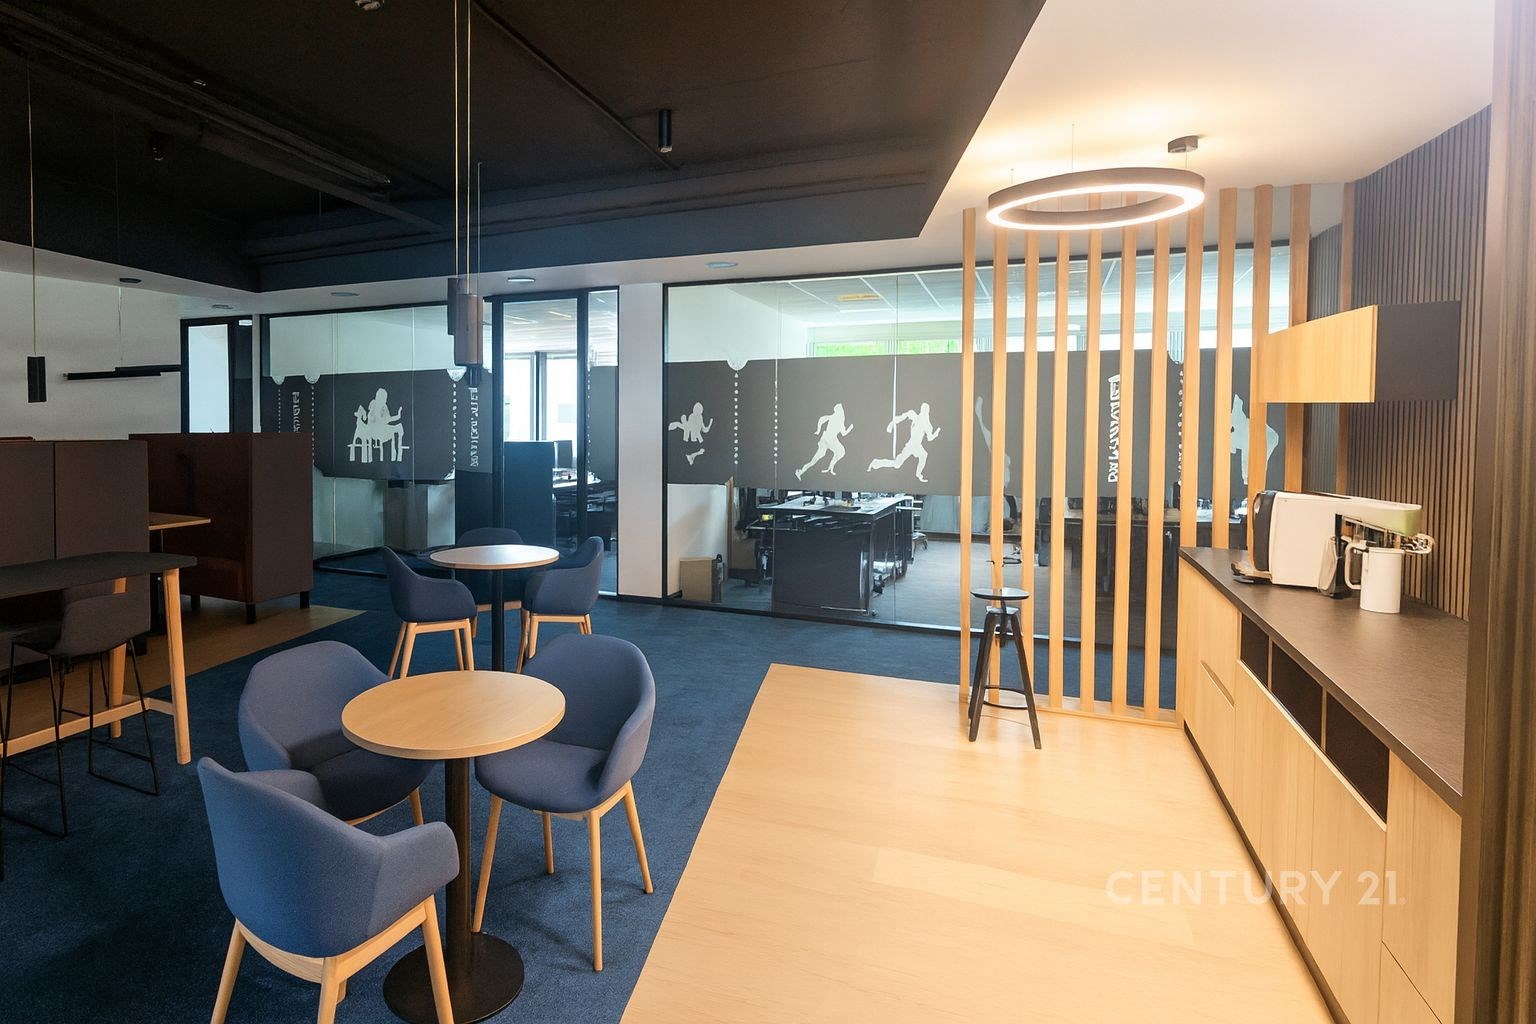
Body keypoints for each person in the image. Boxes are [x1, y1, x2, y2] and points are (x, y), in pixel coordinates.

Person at [868, 402, 941, 483]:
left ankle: (919, 474)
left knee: (923, 455)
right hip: (911, 445)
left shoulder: (927, 424)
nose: (924, 412)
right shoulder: (915, 417)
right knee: (897, 464)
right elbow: (903, 416)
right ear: (921, 410)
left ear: (928, 412)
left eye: (926, 410)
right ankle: (876, 463)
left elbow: (930, 438)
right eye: (923, 410)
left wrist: (935, 434)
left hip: (917, 445)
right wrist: (891, 424)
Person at [796, 403, 853, 480]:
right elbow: (822, 419)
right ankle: (801, 471)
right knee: (820, 456)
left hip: (830, 439)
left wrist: (850, 428)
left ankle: (829, 468)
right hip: (828, 439)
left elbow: (843, 433)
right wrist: (818, 430)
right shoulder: (834, 417)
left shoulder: (839, 421)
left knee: (839, 452)